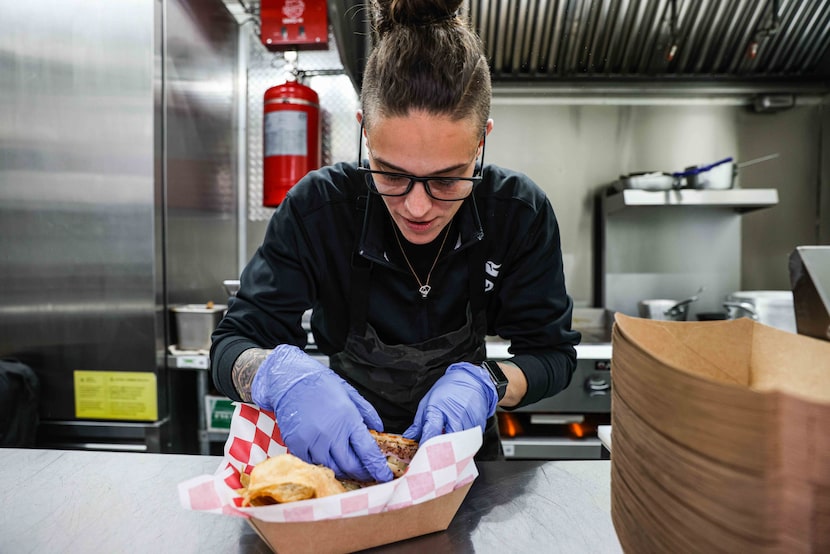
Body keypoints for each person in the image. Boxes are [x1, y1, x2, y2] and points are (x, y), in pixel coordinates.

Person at [210, 0, 580, 484]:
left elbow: (553, 355)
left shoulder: (516, 211)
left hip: (464, 472)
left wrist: (487, 382)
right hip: (338, 465)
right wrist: (278, 378)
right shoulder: (318, 209)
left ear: (481, 143)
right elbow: (230, 346)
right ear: (365, 132)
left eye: (448, 180)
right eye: (391, 174)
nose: (418, 207)